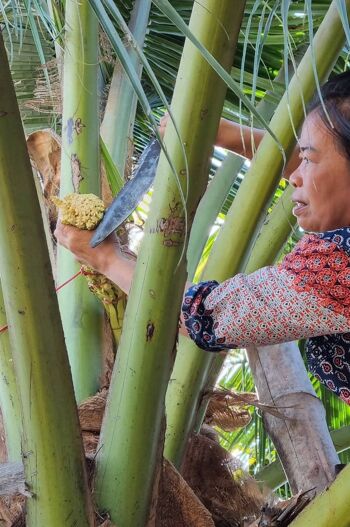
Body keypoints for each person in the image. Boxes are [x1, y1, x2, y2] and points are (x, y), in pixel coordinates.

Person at [55, 71, 350, 405]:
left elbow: (204, 316)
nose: (295, 176)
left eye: (308, 159)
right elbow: (314, 160)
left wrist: (107, 259)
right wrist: (219, 134)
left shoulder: (335, 265)